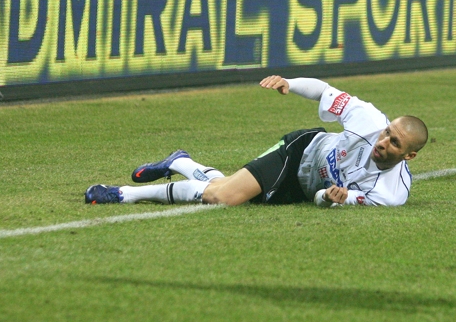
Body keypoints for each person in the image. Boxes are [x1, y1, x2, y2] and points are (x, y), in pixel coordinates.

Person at [85, 75, 428, 207]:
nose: (382, 141)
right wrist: (290, 84)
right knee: (225, 197)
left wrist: (329, 197)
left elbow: (327, 201)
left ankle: (181, 163)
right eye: (387, 133)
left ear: (409, 156)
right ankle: (122, 194)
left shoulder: (390, 193)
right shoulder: (368, 119)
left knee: (224, 189)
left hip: (306, 189)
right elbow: (325, 91)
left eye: (394, 143)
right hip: (301, 153)